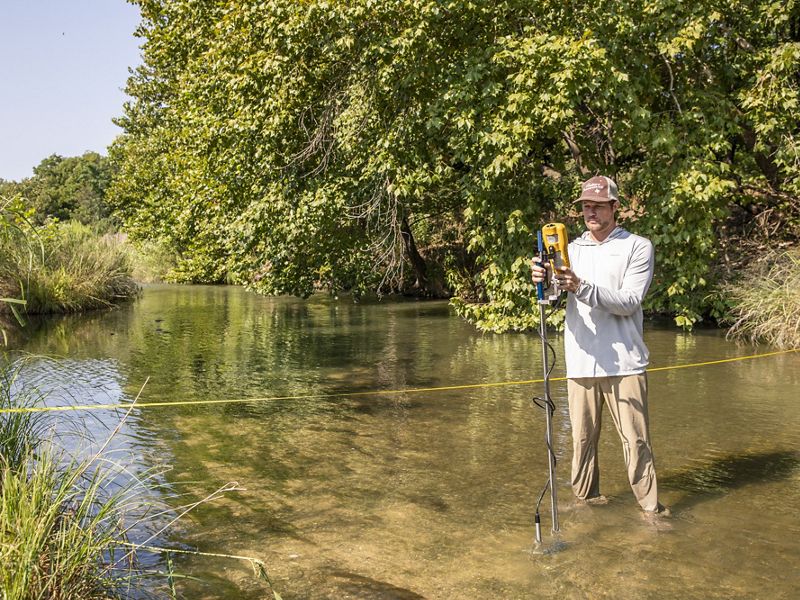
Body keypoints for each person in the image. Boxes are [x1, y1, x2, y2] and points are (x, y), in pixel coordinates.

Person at [531, 175, 668, 516]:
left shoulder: (637, 246)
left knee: (636, 443)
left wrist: (580, 285)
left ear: (614, 207)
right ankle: (586, 506)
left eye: (597, 205)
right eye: (585, 206)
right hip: (580, 362)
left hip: (625, 363)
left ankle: (651, 511)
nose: (590, 212)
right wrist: (543, 282)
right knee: (580, 442)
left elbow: (629, 301)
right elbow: (551, 298)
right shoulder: (570, 249)